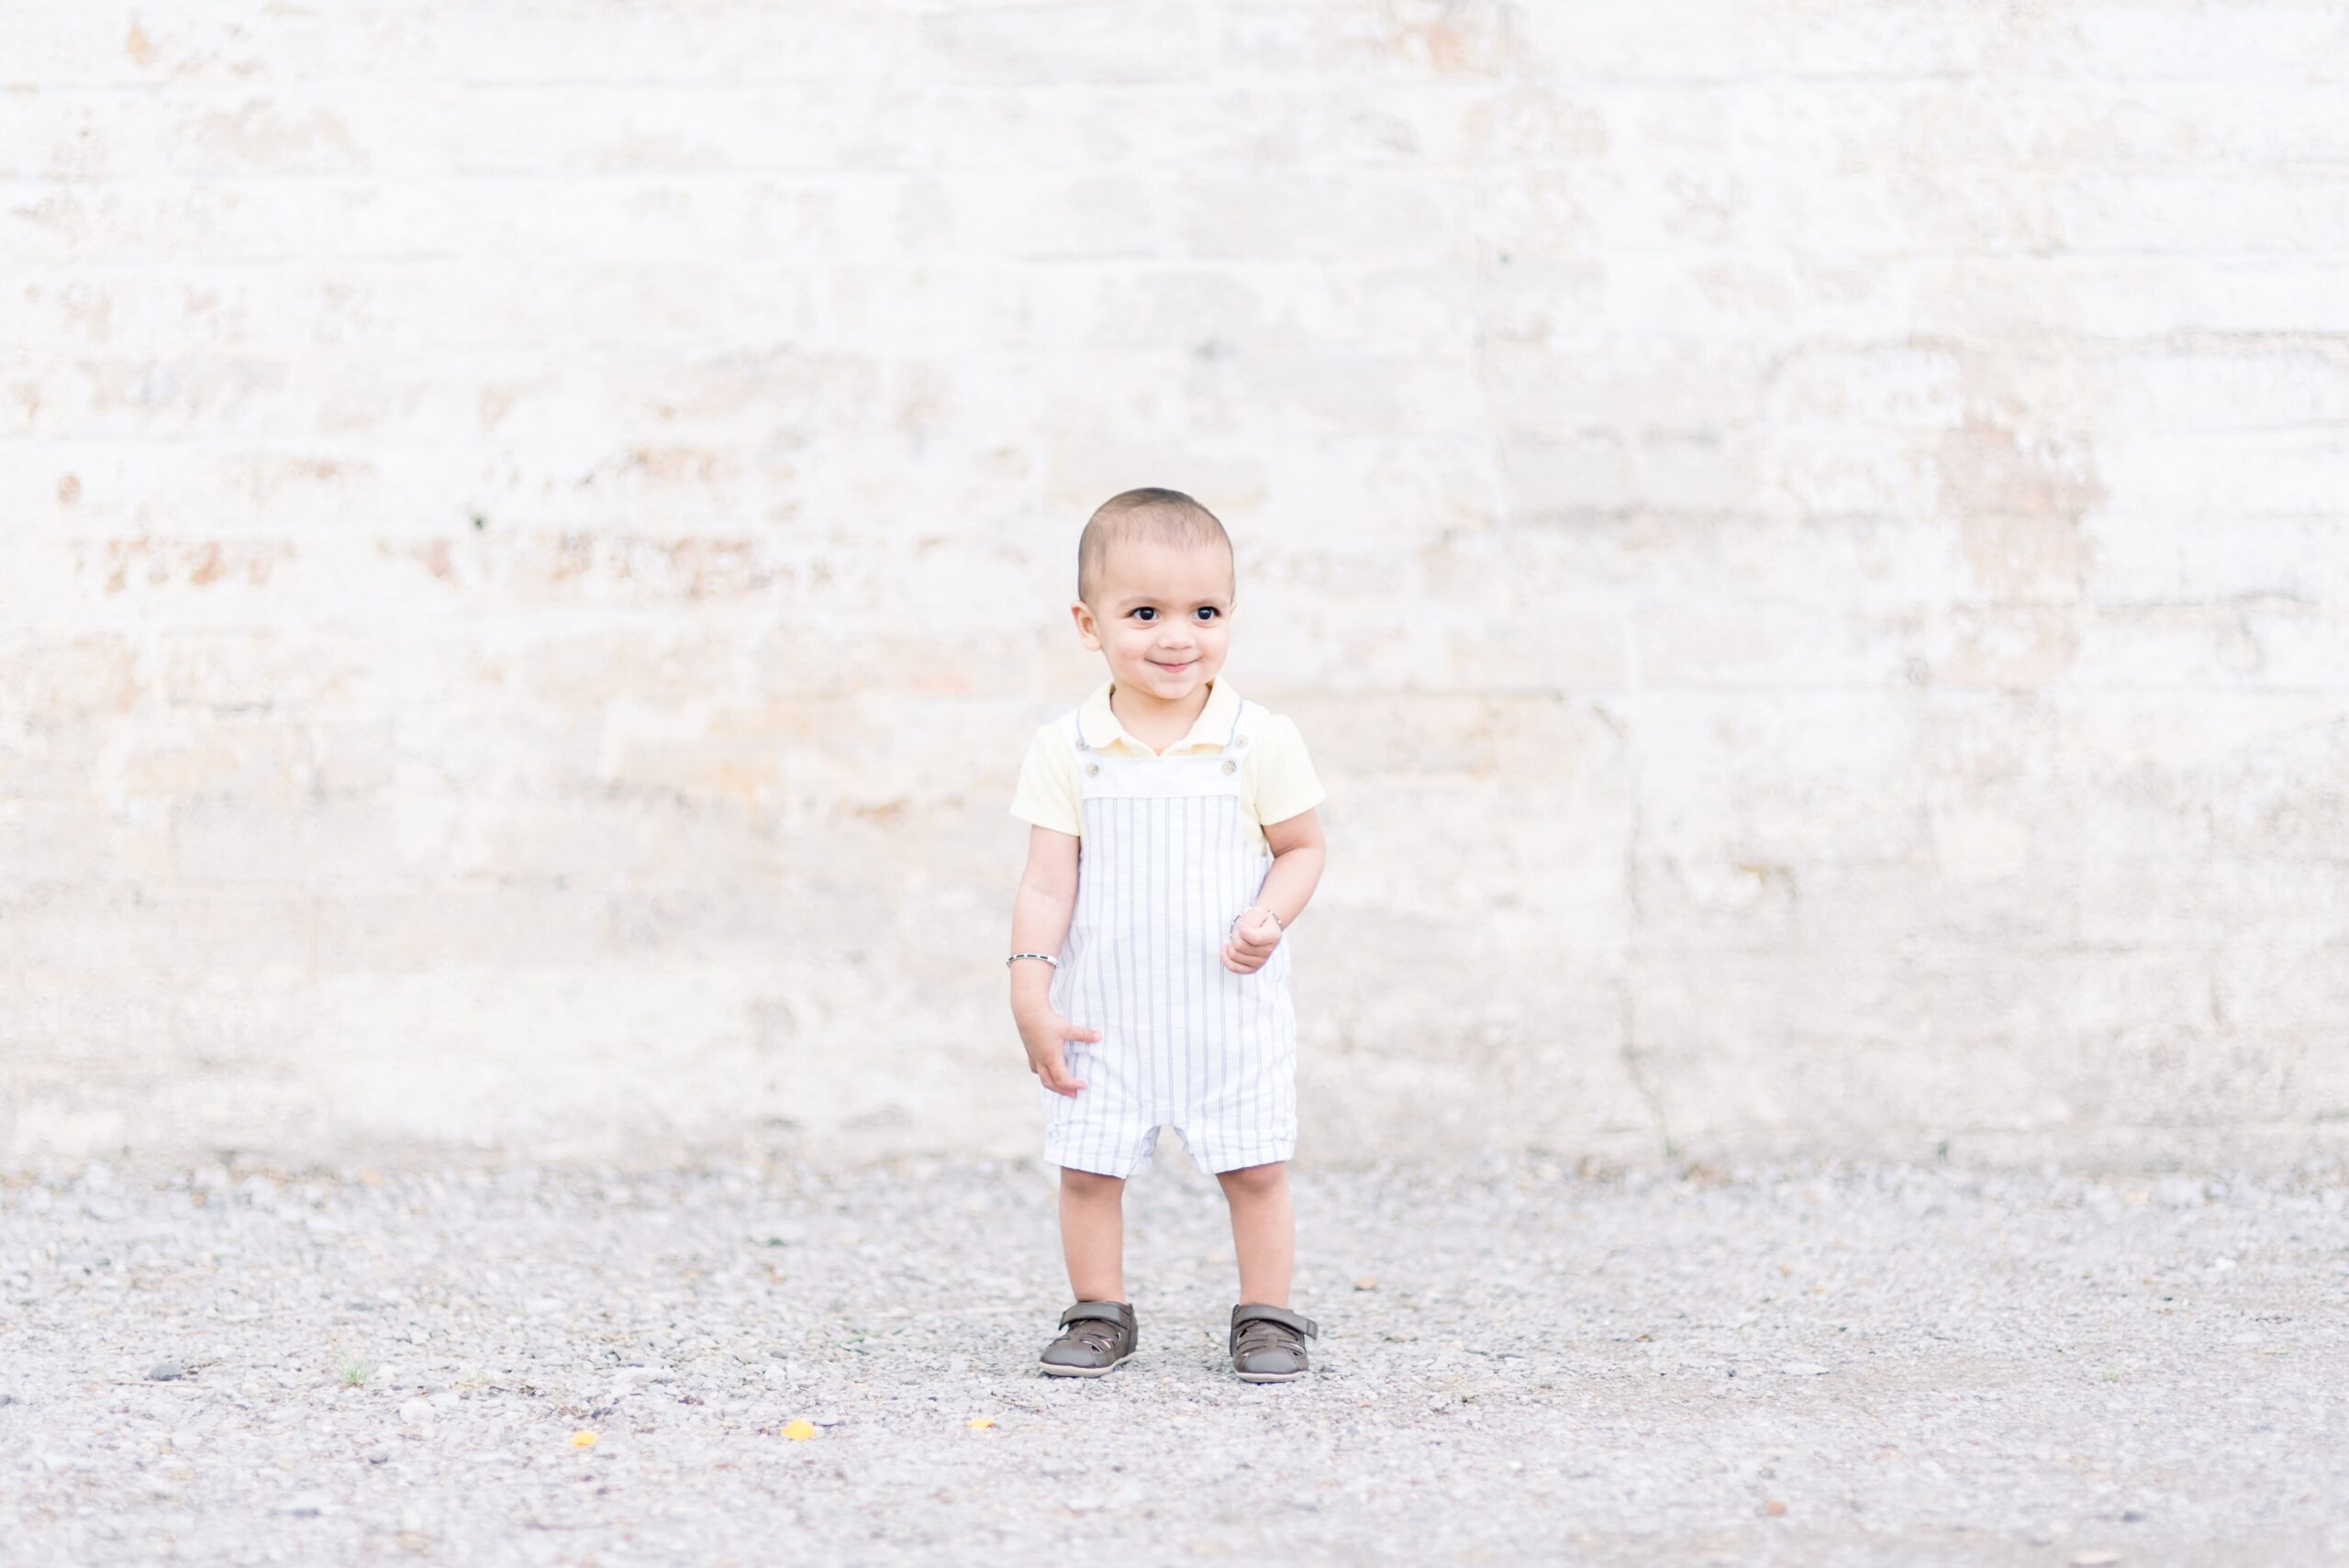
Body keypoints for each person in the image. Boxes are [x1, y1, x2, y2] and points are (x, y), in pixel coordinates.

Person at [1005, 487, 1329, 1382]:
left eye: (1205, 611)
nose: (1176, 635)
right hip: (1104, 1008)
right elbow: (1044, 879)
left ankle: (1266, 1314)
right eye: (1144, 612)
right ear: (1088, 621)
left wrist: (1271, 911)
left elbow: (1302, 848)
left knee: (1255, 1167)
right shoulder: (1069, 747)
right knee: (1088, 1169)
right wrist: (1030, 987)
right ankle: (1099, 1308)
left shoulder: (1256, 739)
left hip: (1227, 1007)